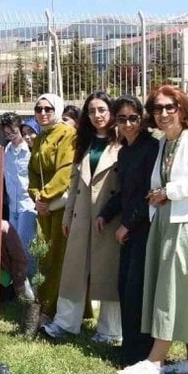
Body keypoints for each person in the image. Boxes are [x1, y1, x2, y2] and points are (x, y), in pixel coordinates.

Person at [117, 86, 188, 374]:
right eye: (157, 109)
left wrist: (169, 192)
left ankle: (155, 361)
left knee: (173, 290)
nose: (163, 113)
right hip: (165, 221)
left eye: (170, 107)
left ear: (182, 108)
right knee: (181, 290)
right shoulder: (163, 145)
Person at [43, 92, 123, 343]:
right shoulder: (84, 142)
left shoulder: (122, 142)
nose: (97, 115)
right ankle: (66, 323)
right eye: (91, 111)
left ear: (111, 112)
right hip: (81, 214)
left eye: (102, 110)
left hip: (110, 216)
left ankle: (109, 331)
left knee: (109, 271)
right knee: (73, 270)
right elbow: (74, 182)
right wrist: (68, 216)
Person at [98, 95, 159, 366]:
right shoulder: (124, 151)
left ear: (142, 119)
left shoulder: (151, 148)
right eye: (121, 118)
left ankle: (141, 353)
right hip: (129, 227)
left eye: (133, 118)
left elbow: (148, 193)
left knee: (138, 290)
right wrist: (106, 213)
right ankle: (129, 347)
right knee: (125, 287)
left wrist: (127, 224)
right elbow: (125, 191)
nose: (127, 124)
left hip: (145, 227)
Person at [28, 93, 76, 319]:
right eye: (39, 109)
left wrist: (45, 197)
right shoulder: (39, 137)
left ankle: (54, 309)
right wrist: (36, 196)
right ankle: (43, 304)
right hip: (44, 207)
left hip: (61, 206)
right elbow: (32, 171)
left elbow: (66, 170)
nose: (43, 113)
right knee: (44, 257)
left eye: (48, 109)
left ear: (57, 109)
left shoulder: (67, 134)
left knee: (58, 257)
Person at [1, 113, 40, 275]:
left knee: (25, 244)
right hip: (13, 204)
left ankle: (31, 282)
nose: (11, 137)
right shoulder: (7, 149)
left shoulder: (30, 149)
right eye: (7, 134)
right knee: (14, 244)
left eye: (14, 133)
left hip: (28, 204)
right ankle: (19, 281)